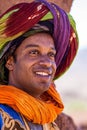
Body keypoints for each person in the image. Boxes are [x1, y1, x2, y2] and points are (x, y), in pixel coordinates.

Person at [0, 0, 79, 129]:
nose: (47, 62)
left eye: (51, 54)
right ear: (10, 62)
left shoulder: (50, 124)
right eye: (34, 52)